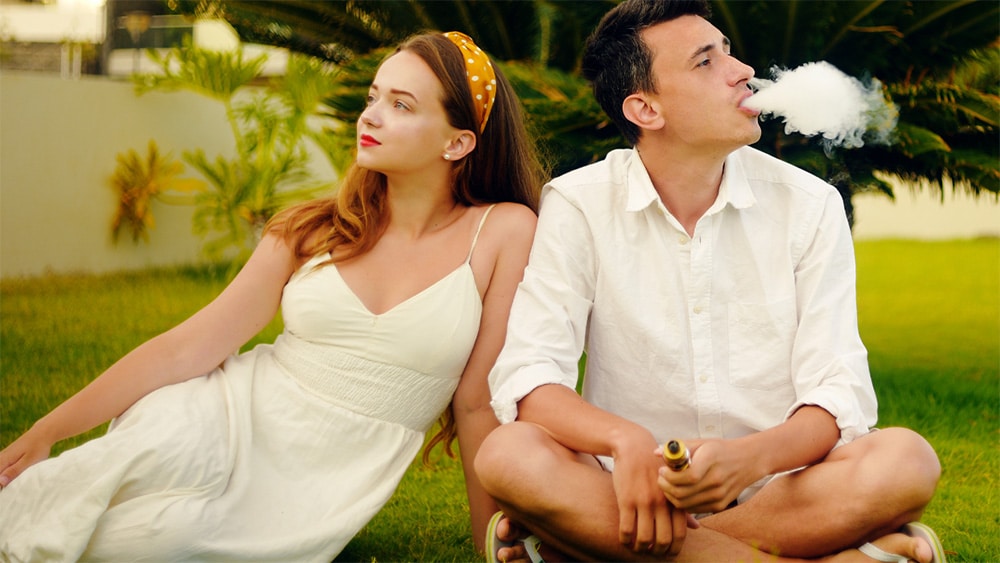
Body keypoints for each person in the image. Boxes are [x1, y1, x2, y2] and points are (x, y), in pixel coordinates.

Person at [0, 31, 546, 561]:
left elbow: (477, 402)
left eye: (401, 105)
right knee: (51, 507)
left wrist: (491, 543)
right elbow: (186, 349)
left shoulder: (502, 232)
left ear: (458, 142)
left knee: (161, 542)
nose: (371, 116)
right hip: (221, 417)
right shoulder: (312, 229)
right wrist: (47, 432)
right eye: (373, 97)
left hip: (314, 481)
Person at [474, 1, 944, 562]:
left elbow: (837, 392)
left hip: (779, 487)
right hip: (629, 488)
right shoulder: (577, 205)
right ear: (645, 108)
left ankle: (582, 549)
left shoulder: (810, 205)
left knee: (906, 461)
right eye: (705, 61)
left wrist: (749, 459)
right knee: (507, 454)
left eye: (727, 50)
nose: (741, 69)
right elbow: (530, 376)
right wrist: (628, 445)